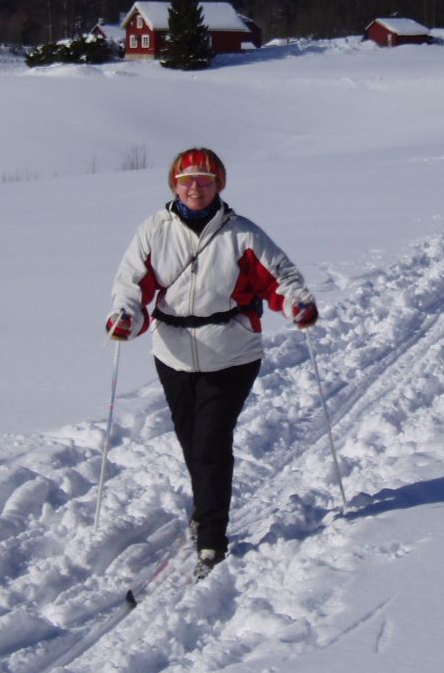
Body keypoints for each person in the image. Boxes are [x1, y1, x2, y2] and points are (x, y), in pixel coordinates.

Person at [106, 147, 318, 579]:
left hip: (232, 353)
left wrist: (296, 303)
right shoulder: (154, 230)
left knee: (210, 444)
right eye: (187, 180)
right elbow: (132, 284)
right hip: (172, 355)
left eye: (205, 180)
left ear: (219, 184)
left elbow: (281, 279)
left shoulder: (243, 234)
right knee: (192, 443)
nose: (195, 188)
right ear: (174, 185)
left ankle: (211, 539)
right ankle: (205, 510)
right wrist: (126, 316)